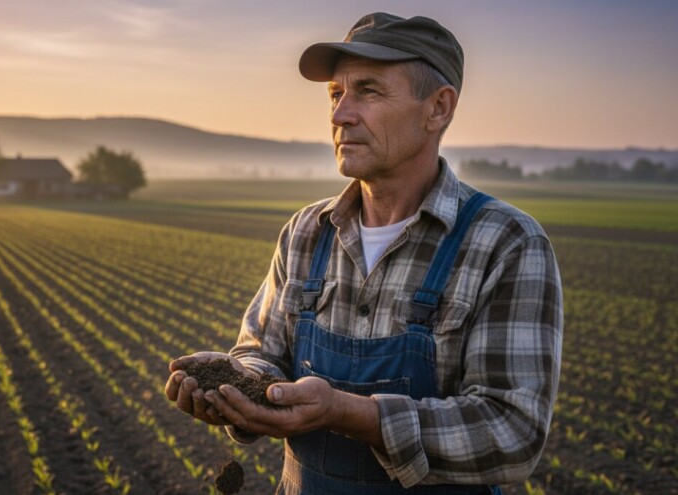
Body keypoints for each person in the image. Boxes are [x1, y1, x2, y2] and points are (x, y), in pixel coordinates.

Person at [165, 12, 562, 494]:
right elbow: (261, 355)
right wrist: (235, 385)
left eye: (368, 91)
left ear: (437, 108)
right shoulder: (306, 232)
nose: (339, 115)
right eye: (336, 94)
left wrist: (353, 414)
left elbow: (513, 432)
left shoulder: (506, 242)